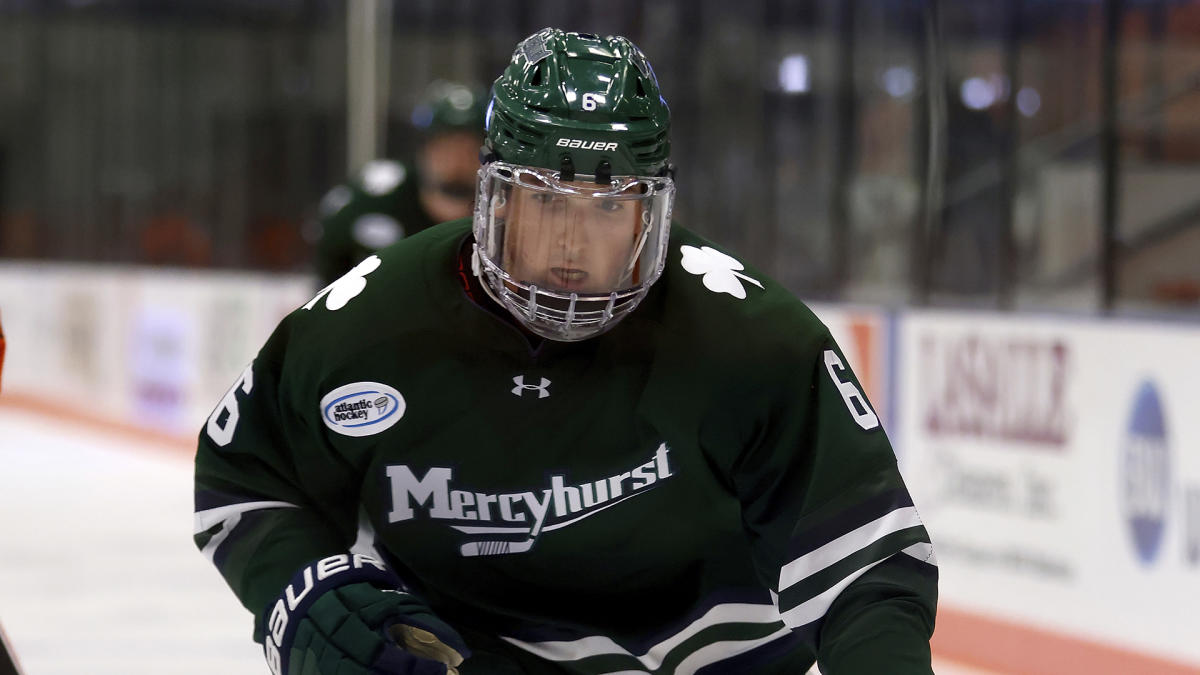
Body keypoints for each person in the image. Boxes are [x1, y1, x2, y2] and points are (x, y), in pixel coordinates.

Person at [194, 28, 937, 675]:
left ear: (655, 213)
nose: (573, 245)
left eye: (611, 207)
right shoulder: (368, 323)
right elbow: (245, 472)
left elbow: (865, 565)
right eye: (547, 201)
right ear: (494, 199)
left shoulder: (753, 339)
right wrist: (299, 589)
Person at [314, 80, 486, 287]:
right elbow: (328, 254)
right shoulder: (375, 198)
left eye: (469, 148)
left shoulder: (508, 212)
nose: (457, 160)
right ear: (424, 149)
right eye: (446, 146)